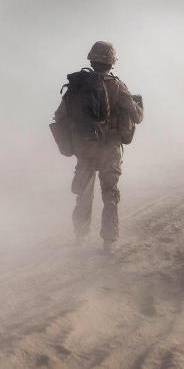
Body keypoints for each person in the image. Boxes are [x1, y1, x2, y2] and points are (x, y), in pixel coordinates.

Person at [52, 41, 143, 253]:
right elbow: (136, 116)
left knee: (84, 191)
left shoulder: (77, 85)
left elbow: (60, 116)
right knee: (110, 193)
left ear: (91, 59)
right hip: (110, 148)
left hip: (85, 146)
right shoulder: (118, 86)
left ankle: (80, 236)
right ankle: (108, 242)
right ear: (112, 61)